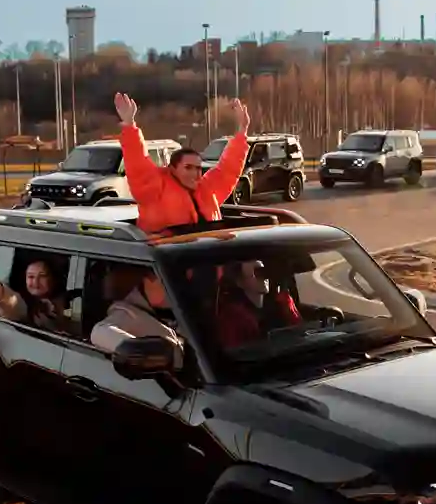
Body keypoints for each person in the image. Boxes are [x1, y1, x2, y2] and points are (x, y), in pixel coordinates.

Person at [114, 92, 251, 234]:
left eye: (198, 168)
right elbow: (138, 163)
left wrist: (242, 131)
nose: (195, 173)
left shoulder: (207, 189)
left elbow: (228, 170)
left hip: (208, 246)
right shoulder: (155, 188)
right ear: (173, 168)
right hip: (167, 247)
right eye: (188, 168)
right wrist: (129, 125)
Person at [90, 268, 185, 369]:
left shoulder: (185, 310)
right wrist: (141, 351)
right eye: (172, 282)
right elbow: (99, 332)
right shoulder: (125, 314)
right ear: (148, 280)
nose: (180, 290)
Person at [215, 259, 302, 349]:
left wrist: (286, 305)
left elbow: (301, 334)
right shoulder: (233, 317)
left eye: (265, 271)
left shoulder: (280, 303)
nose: (265, 277)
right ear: (240, 282)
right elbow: (234, 352)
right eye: (258, 272)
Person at [0, 258, 71, 332]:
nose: (36, 282)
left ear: (53, 280)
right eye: (31, 276)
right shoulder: (27, 303)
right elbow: (14, 305)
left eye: (42, 276)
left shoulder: (67, 301)